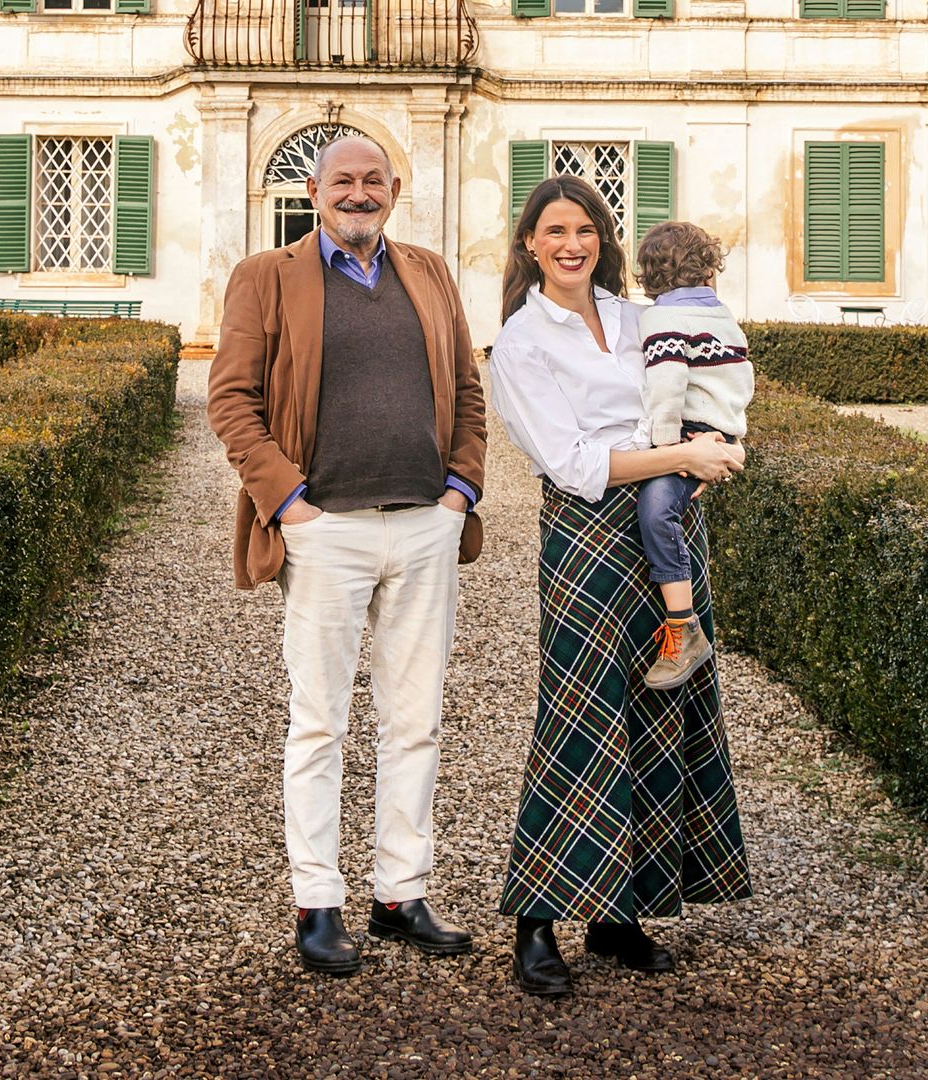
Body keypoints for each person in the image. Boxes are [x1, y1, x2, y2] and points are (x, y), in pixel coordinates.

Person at [207, 135, 488, 975]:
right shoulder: (269, 274)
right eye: (343, 181)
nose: (358, 193)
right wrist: (289, 504)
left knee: (415, 722)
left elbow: (468, 389)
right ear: (313, 189)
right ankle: (317, 899)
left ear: (394, 190)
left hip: (424, 525)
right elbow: (230, 398)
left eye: (373, 180)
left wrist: (459, 491)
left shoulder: (430, 272)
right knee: (320, 721)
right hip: (325, 530)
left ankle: (401, 891)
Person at [487, 176, 754, 997]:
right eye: (555, 231)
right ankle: (538, 921)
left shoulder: (644, 318)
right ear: (530, 243)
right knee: (579, 717)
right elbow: (573, 464)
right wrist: (683, 458)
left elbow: (709, 378)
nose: (572, 244)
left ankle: (617, 914)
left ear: (604, 239)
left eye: (587, 229)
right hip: (588, 537)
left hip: (667, 530)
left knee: (659, 712)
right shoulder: (522, 343)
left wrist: (713, 446)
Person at [632, 221, 753, 690]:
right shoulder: (724, 317)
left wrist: (666, 449)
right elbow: (740, 383)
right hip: (718, 434)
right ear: (708, 269)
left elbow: (667, 387)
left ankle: (683, 627)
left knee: (656, 511)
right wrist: (731, 435)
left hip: (688, 436)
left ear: (650, 277)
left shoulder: (662, 320)